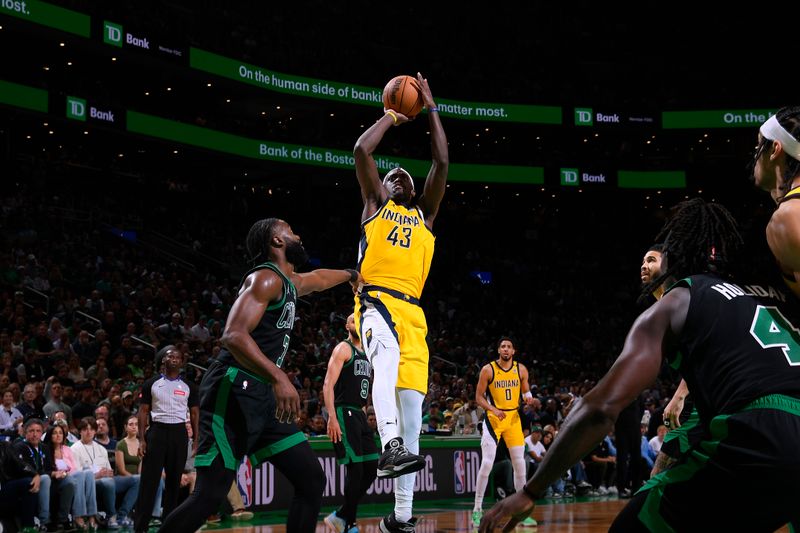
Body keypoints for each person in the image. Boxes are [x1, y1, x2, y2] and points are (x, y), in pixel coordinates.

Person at [479, 198, 800, 531]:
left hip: (759, 433)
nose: (644, 267)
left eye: (653, 258)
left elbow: (600, 408)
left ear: (672, 259)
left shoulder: (677, 301)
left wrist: (531, 490)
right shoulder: (768, 294)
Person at [159, 218, 363, 533]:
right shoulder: (265, 279)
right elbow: (233, 335)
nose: (298, 234)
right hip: (232, 388)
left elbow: (320, 278)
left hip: (263, 397)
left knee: (310, 479)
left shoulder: (289, 281)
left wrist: (353, 275)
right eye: (290, 230)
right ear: (277, 242)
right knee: (210, 494)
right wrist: (280, 377)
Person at [352, 72, 448, 532]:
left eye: (403, 176)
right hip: (376, 303)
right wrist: (391, 115)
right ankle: (387, 442)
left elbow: (442, 162)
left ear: (413, 190)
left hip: (414, 314)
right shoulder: (374, 206)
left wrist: (429, 108)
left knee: (414, 416)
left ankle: (402, 516)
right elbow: (361, 151)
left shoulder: (425, 218)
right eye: (390, 176)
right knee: (384, 361)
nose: (395, 178)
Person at [133, 345, 198, 533]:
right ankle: (140, 527)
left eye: (178, 357)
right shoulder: (151, 384)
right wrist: (142, 439)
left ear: (182, 362)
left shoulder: (188, 386)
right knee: (149, 483)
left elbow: (194, 414)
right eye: (170, 356)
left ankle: (168, 527)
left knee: (173, 484)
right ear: (163, 361)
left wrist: (195, 440)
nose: (174, 359)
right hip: (157, 432)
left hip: (179, 433)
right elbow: (143, 412)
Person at [322, 314, 378, 533]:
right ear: (347, 326)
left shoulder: (367, 354)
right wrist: (332, 417)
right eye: (353, 320)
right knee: (355, 470)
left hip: (360, 415)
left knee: (372, 469)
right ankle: (349, 523)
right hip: (344, 412)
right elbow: (328, 385)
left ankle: (342, 514)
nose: (357, 323)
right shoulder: (343, 349)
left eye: (360, 320)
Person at [472, 337, 536, 528]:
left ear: (513, 351)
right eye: (502, 346)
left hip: (513, 419)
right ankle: (477, 509)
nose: (505, 349)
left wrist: (529, 398)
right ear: (499, 350)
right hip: (494, 419)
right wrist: (493, 409)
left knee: (520, 465)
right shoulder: (488, 369)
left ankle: (522, 512)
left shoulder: (521, 369)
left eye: (509, 347)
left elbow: (526, 392)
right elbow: (478, 397)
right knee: (486, 463)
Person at [72, 416, 139, 529]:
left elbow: (110, 471)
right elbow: (78, 477)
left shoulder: (101, 448)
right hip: (92, 482)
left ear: (95, 431)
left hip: (107, 479)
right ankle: (111, 517)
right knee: (108, 482)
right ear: (80, 431)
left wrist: (109, 473)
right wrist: (97, 475)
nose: (89, 432)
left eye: (91, 429)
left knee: (138, 479)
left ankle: (122, 515)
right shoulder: (74, 449)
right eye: (85, 429)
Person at [0, 437, 40, 531]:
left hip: (3, 488)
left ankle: (28, 527)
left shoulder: (4, 447)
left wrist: (35, 474)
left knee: (29, 483)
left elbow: (20, 463)